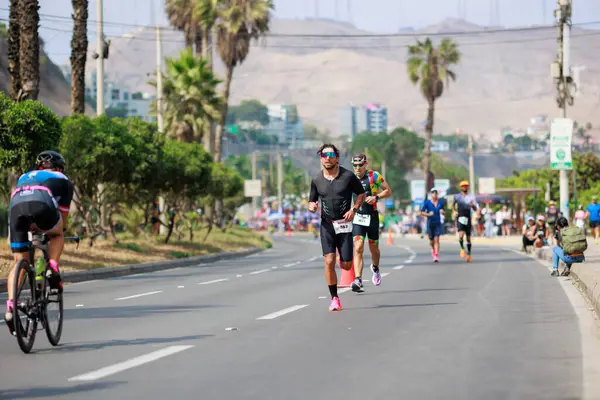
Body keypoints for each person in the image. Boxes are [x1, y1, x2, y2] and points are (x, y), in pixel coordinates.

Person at [5, 151, 73, 334]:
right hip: (42, 203)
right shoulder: (63, 179)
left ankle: (11, 307)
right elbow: (62, 219)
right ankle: (52, 266)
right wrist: (56, 230)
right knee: (57, 234)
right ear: (59, 168)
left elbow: (26, 201)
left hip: (16, 206)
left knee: (19, 261)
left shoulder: (24, 176)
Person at [308, 144, 366, 311]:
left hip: (345, 225)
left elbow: (361, 194)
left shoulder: (348, 177)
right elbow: (312, 200)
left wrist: (354, 209)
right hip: (327, 225)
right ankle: (334, 298)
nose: (327, 157)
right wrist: (311, 206)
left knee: (347, 265)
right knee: (329, 261)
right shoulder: (317, 179)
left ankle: (344, 257)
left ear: (337, 158)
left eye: (331, 154)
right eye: (324, 155)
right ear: (321, 158)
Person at [349, 153, 392, 293]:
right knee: (358, 246)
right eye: (355, 165)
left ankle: (375, 267)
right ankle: (358, 279)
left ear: (365, 164)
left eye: (360, 165)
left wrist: (376, 197)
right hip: (358, 218)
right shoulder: (350, 178)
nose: (357, 168)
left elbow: (388, 190)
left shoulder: (374, 176)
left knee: (374, 248)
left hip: (372, 217)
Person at [452, 181, 478, 262]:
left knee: (468, 238)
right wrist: (454, 211)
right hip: (460, 217)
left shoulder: (471, 197)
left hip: (468, 217)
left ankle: (469, 253)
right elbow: (453, 205)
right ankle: (462, 248)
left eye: (466, 186)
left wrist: (472, 205)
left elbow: (475, 208)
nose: (465, 187)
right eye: (463, 186)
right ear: (461, 187)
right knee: (460, 236)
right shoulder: (457, 196)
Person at [421, 188, 445, 262]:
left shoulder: (440, 202)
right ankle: (433, 250)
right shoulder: (427, 202)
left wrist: (442, 211)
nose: (434, 194)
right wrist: (428, 214)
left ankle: (436, 255)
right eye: (433, 193)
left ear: (437, 194)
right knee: (431, 241)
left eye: (435, 193)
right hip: (430, 223)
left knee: (437, 239)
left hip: (437, 223)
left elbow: (443, 210)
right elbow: (422, 212)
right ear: (431, 194)